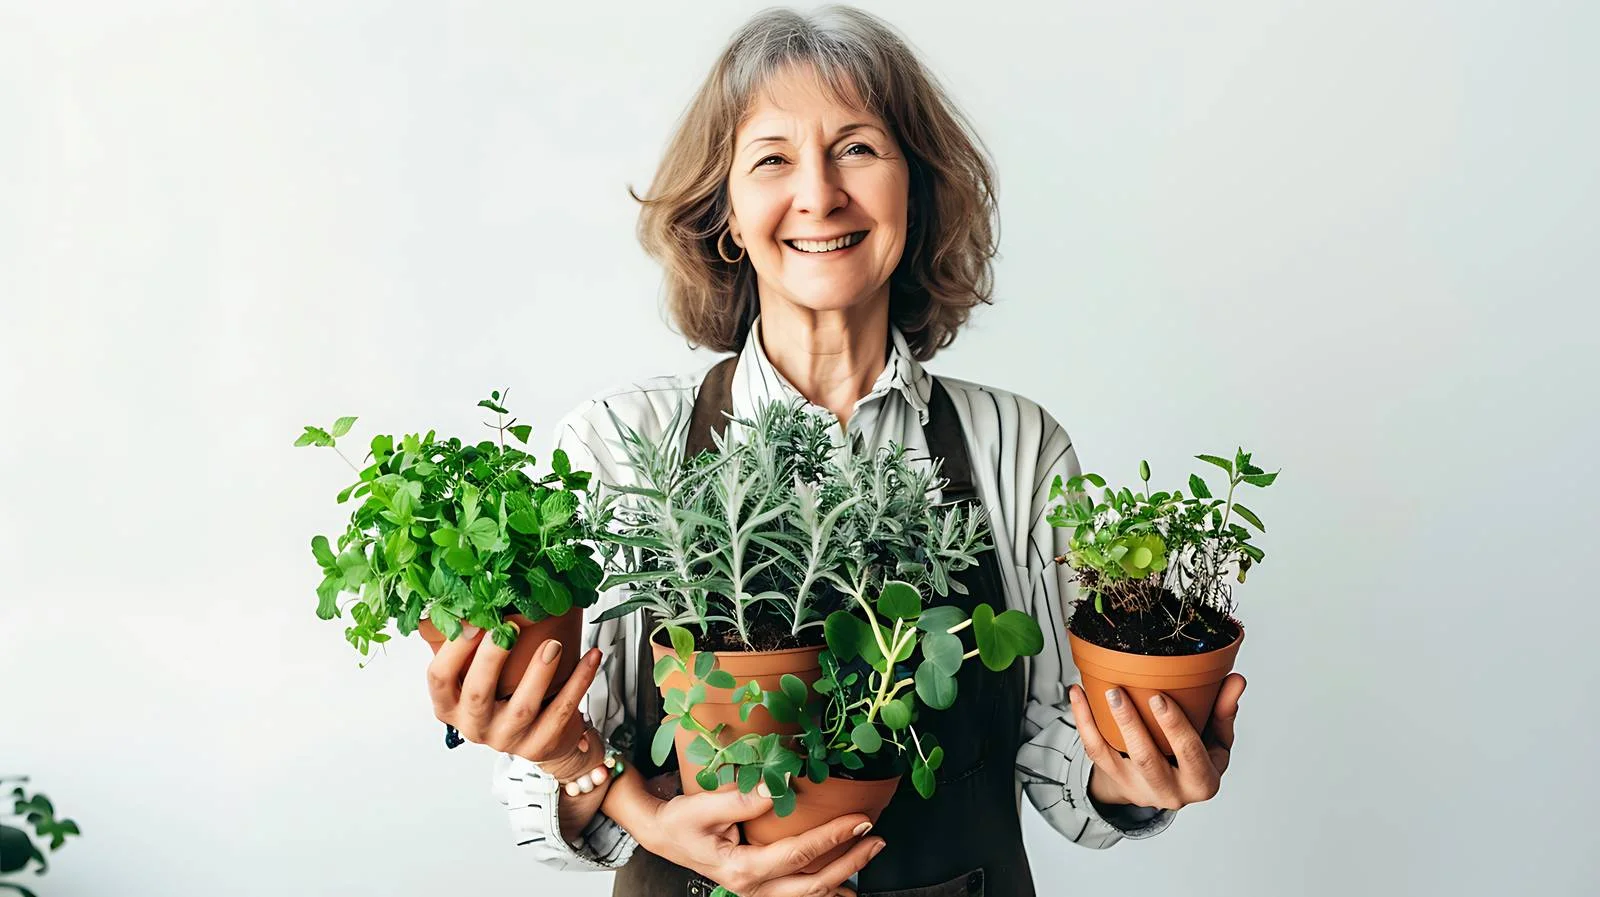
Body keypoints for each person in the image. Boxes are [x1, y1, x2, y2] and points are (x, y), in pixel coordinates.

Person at [427, 6, 1246, 896]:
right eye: (772, 159)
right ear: (726, 213)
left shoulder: (1018, 446)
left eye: (857, 148)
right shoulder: (620, 445)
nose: (819, 195)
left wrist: (1135, 775)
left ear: (914, 190)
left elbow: (1064, 765)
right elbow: (551, 778)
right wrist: (625, 800)